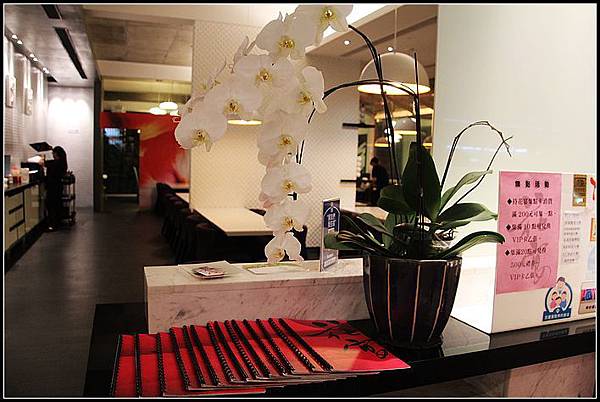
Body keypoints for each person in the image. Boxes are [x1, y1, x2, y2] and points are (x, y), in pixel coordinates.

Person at [44, 146, 68, 231]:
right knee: (57, 205)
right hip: (58, 186)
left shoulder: (56, 164)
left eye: (53, 153)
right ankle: (57, 223)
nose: (52, 155)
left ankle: (52, 225)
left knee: (51, 205)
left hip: (53, 187)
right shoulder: (62, 162)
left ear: (56, 154)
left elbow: (49, 165)